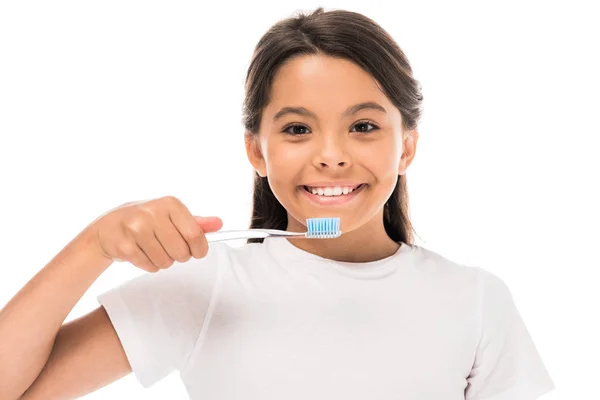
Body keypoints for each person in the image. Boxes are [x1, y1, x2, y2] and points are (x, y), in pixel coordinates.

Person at [0, 7, 555, 400]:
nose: (331, 156)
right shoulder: (206, 285)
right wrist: (94, 244)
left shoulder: (476, 299)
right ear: (256, 152)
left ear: (406, 144)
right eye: (297, 129)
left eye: (362, 126)